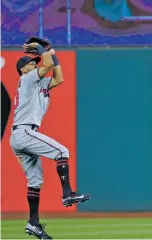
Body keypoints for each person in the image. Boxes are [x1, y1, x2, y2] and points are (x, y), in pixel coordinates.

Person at [10, 41, 90, 239]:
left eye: (35, 61)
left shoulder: (39, 83)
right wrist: (44, 51)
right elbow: (46, 65)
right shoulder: (28, 79)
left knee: (35, 180)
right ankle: (67, 193)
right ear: (23, 69)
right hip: (24, 132)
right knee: (62, 151)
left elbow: (59, 77)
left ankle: (33, 223)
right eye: (31, 63)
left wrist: (50, 52)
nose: (35, 64)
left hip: (22, 134)